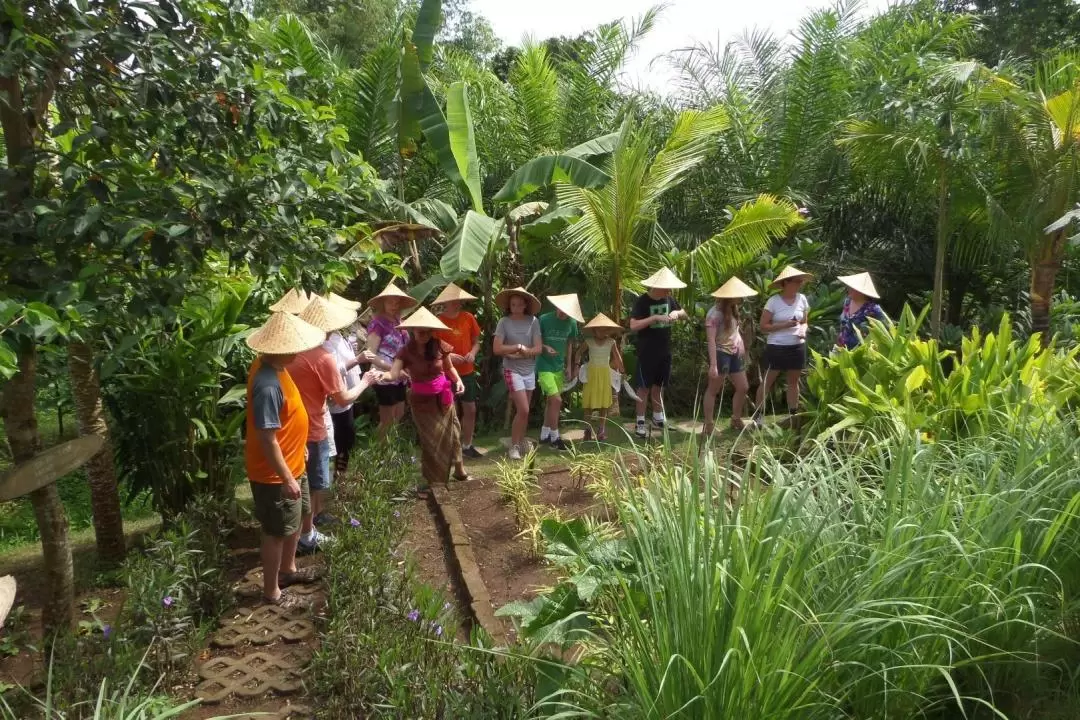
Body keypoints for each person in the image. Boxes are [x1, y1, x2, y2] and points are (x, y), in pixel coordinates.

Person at [243, 312, 326, 606]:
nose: (300, 351)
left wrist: (299, 446)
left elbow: (286, 419)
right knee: (276, 530)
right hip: (275, 474)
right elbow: (266, 437)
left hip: (294, 462)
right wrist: (287, 478)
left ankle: (288, 570)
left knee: (294, 520)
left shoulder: (277, 366)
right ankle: (271, 591)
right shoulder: (267, 383)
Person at [290, 296, 377, 551]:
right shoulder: (322, 357)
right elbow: (343, 396)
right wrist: (366, 381)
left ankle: (308, 527)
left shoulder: (291, 353)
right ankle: (307, 534)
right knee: (315, 483)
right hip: (314, 424)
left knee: (305, 481)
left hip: (293, 425)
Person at [379, 307, 471, 496]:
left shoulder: (439, 346)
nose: (424, 335)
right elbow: (394, 373)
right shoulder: (405, 351)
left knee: (453, 432)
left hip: (444, 398)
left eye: (427, 331)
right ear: (413, 331)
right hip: (421, 403)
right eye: (420, 331)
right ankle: (435, 481)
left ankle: (459, 470)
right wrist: (383, 376)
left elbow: (450, 368)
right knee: (431, 441)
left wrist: (458, 380)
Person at [629, 267, 689, 438]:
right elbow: (633, 326)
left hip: (664, 350)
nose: (669, 291)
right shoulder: (642, 302)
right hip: (647, 351)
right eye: (666, 288)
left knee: (659, 386)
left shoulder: (669, 299)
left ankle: (658, 418)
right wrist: (654, 318)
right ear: (656, 287)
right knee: (643, 388)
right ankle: (640, 422)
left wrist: (677, 313)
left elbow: (685, 314)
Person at [754, 265, 812, 426]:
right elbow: (763, 327)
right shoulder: (773, 301)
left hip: (797, 346)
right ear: (786, 283)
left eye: (801, 281)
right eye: (797, 281)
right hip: (777, 346)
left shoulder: (802, 299)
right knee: (768, 381)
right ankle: (758, 416)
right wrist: (784, 325)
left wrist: (803, 330)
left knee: (793, 382)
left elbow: (805, 322)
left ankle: (793, 415)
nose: (800, 284)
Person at [493, 286, 543, 461]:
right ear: (509, 305)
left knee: (525, 412)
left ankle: (521, 441)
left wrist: (525, 352)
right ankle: (514, 446)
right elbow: (497, 348)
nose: (517, 307)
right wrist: (517, 348)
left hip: (529, 369)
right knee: (523, 408)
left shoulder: (534, 321)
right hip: (511, 369)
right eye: (513, 304)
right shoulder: (504, 322)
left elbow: (538, 347)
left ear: (525, 305)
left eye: (520, 304)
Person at [434, 283, 483, 459]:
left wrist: (472, 353)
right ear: (446, 302)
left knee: (470, 409)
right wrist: (449, 356)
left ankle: (467, 444)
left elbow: (477, 341)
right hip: (447, 373)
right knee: (450, 411)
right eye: (453, 300)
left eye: (458, 300)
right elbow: (432, 348)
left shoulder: (468, 317)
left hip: (468, 371)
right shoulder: (438, 321)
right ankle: (450, 448)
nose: (456, 303)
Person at [362, 282, 417, 439]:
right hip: (383, 376)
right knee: (387, 419)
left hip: (400, 377)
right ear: (383, 303)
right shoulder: (378, 323)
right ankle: (378, 455)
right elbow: (370, 354)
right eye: (390, 301)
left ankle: (389, 451)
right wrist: (394, 369)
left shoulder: (401, 323)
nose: (394, 305)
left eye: (397, 301)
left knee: (398, 415)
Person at [703, 277, 757, 434]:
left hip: (734, 354)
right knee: (713, 389)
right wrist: (713, 365)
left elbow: (734, 332)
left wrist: (741, 345)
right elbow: (711, 339)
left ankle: (736, 418)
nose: (741, 297)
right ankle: (709, 424)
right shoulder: (714, 314)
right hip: (721, 354)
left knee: (743, 387)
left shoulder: (733, 310)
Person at [537, 294, 584, 451]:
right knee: (556, 400)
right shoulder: (543, 319)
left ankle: (544, 434)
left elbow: (570, 344)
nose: (562, 313)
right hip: (544, 365)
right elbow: (535, 340)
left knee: (552, 402)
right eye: (561, 309)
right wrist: (544, 348)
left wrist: (569, 366)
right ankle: (555, 437)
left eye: (566, 311)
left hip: (559, 366)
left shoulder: (572, 323)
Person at [325, 292, 364, 477]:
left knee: (347, 438)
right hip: (336, 397)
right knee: (341, 438)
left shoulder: (338, 335)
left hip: (347, 394)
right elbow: (333, 369)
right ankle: (338, 476)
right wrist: (357, 360)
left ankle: (341, 474)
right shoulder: (324, 341)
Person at [580, 313, 625, 442]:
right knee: (588, 404)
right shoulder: (588, 342)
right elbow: (578, 354)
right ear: (594, 330)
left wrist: (622, 370)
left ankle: (601, 430)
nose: (603, 331)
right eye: (600, 329)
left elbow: (617, 357)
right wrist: (578, 366)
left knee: (604, 404)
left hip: (605, 374)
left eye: (605, 329)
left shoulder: (611, 342)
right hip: (592, 374)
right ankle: (587, 431)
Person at [836, 272, 888, 349]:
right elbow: (843, 324)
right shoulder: (847, 301)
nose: (849, 289)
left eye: (852, 288)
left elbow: (886, 329)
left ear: (861, 291)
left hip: (860, 352)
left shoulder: (873, 309)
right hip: (841, 348)